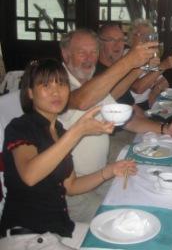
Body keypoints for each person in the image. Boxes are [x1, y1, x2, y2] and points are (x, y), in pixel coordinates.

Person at [0, 59, 137, 249]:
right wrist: (77, 131)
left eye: (61, 84)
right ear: (30, 93)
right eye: (46, 85)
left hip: (59, 229)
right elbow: (30, 175)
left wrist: (110, 170)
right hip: (26, 236)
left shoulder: (59, 130)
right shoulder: (21, 127)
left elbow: (71, 185)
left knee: (123, 239)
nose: (56, 92)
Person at [59, 29, 172, 222]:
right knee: (129, 220)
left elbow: (127, 120)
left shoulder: (91, 83)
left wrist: (164, 129)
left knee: (151, 194)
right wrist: (130, 62)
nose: (89, 58)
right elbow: (81, 101)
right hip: (72, 194)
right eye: (81, 52)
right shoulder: (56, 84)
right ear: (66, 54)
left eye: (93, 52)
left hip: (100, 176)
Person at [126, 19, 172, 109]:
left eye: (149, 36)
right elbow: (138, 88)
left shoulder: (149, 56)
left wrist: (155, 91)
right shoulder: (126, 57)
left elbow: (164, 82)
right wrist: (162, 66)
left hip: (150, 103)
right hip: (134, 107)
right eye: (141, 35)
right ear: (132, 37)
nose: (146, 39)